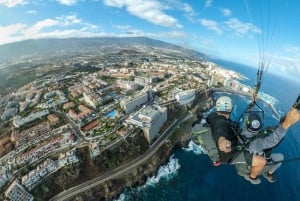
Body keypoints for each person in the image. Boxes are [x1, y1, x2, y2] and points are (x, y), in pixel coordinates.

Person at [206, 96, 266, 184]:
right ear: (231, 109)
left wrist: (252, 105)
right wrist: (222, 141)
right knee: (262, 161)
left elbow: (220, 128)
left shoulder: (213, 117)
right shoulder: (221, 122)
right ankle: (252, 178)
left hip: (227, 146)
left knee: (244, 130)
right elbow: (220, 130)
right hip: (229, 155)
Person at [237, 108, 300, 184]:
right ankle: (267, 174)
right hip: (247, 169)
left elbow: (248, 115)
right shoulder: (256, 144)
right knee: (280, 157)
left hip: (240, 163)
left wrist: (285, 119)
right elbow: (273, 140)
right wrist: (287, 123)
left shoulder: (243, 130)